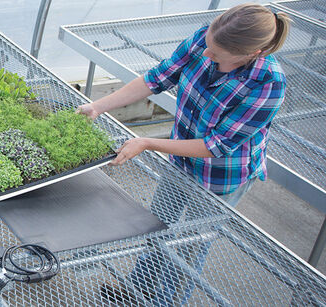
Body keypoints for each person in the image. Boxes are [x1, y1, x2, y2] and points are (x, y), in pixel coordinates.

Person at [77, 3, 291, 306]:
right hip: (180, 161)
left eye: (216, 55)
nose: (206, 54)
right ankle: (137, 292)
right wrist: (98, 106)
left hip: (221, 175)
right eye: (208, 45)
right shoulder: (207, 39)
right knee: (158, 224)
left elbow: (216, 145)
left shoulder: (267, 83)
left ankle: (166, 301)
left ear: (251, 54)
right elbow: (156, 78)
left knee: (188, 246)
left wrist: (148, 143)